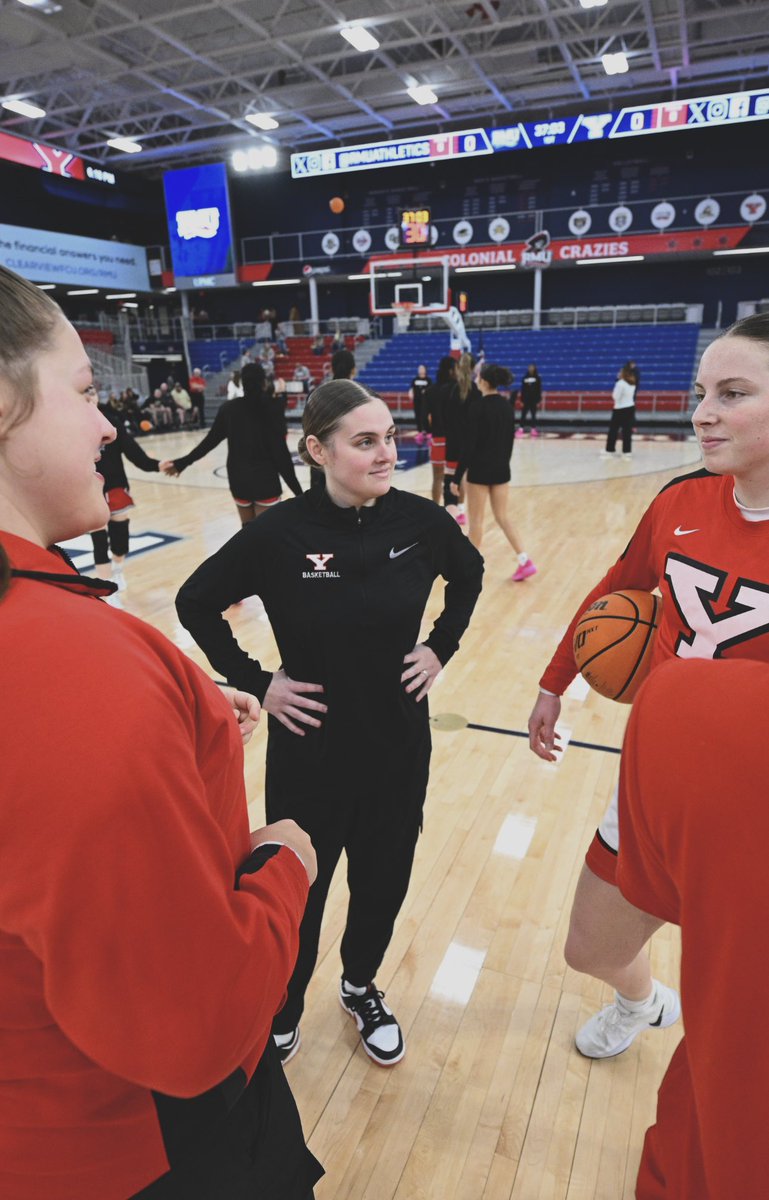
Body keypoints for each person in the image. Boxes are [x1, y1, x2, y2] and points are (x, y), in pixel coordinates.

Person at [0, 265, 323, 1199]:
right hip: (142, 1142)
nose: (108, 426)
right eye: (84, 392)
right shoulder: (66, 668)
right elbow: (193, 1028)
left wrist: (175, 720)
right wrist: (286, 864)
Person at [175, 379, 484, 1069]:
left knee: (382, 882)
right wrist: (260, 683)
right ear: (318, 451)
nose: (386, 453)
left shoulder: (422, 523)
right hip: (309, 753)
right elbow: (195, 601)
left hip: (397, 747)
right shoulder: (279, 535)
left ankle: (360, 986)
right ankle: (282, 1006)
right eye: (365, 441)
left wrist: (440, 647)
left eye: (389, 438)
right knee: (298, 891)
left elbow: (469, 574)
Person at [527, 310, 769, 1061]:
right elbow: (616, 590)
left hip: (753, 803)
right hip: (655, 776)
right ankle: (641, 1002)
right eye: (701, 394)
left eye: (732, 394)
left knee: (738, 1009)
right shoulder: (680, 501)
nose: (702, 414)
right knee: (588, 947)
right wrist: (554, 683)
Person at [616, 657, 769, 1198]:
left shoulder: (682, 703)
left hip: (706, 1149)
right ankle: (641, 1002)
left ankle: (642, 1003)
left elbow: (661, 894)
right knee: (589, 948)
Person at [162, 363, 302, 525]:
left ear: (242, 383)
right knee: (267, 535)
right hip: (265, 482)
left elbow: (209, 443)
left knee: (247, 533)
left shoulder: (229, 409)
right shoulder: (273, 408)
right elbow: (281, 454)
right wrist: (299, 494)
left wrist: (181, 463)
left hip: (238, 480)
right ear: (264, 383)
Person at [451, 364, 537, 581]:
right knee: (503, 517)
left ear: (485, 382)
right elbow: (509, 441)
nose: (476, 380)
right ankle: (525, 560)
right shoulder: (507, 407)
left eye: (478, 377)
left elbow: (468, 447)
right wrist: (503, 464)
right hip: (501, 470)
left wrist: (457, 477)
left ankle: (468, 571)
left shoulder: (477, 407)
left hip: (479, 472)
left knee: (476, 522)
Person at [90, 400, 161, 599]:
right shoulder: (72, 423)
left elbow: (134, 452)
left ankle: (118, 569)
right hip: (90, 488)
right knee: (99, 540)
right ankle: (107, 589)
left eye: (91, 390)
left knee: (120, 536)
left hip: (115, 486)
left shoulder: (111, 422)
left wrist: (156, 465)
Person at [443, 351, 477, 524]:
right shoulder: (476, 390)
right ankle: (463, 510)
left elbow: (447, 417)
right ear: (473, 368)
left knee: (451, 478)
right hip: (471, 441)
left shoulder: (452, 389)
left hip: (453, 441)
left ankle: (452, 512)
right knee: (465, 478)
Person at [425, 356, 455, 504]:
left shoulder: (431, 390)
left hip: (437, 438)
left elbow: (427, 418)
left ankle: (435, 510)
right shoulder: (456, 389)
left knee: (437, 478)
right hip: (455, 439)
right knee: (456, 477)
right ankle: (459, 509)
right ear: (451, 370)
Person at [601, 364, 635, 459]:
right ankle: (627, 452)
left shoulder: (620, 383)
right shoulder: (632, 383)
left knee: (613, 430)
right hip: (630, 408)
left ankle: (610, 450)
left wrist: (617, 382)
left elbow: (615, 397)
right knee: (627, 430)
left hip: (620, 409)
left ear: (623, 373)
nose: (618, 373)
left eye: (620, 372)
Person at [516, 363, 542, 438]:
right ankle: (521, 429)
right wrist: (521, 400)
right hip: (525, 400)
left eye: (532, 367)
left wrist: (538, 400)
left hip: (534, 400)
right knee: (523, 415)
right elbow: (523, 389)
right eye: (530, 367)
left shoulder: (537, 378)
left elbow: (539, 390)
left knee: (533, 415)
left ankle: (533, 429)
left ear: (534, 368)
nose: (531, 368)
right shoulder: (525, 378)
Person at [408, 363, 431, 445]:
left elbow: (431, 390)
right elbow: (411, 389)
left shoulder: (428, 380)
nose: (420, 370)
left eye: (422, 368)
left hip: (425, 402)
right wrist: (410, 393)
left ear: (425, 370)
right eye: (419, 368)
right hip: (417, 401)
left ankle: (428, 432)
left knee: (425, 417)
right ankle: (420, 432)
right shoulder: (415, 380)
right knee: (418, 416)